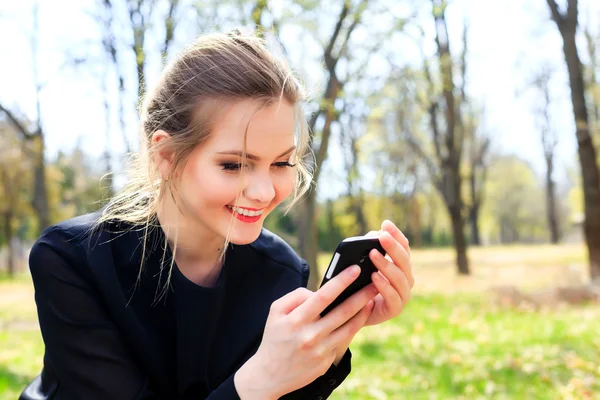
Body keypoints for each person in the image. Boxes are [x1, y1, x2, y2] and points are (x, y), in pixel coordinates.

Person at [20, 31, 414, 400]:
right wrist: (258, 380)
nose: (263, 192)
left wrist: (331, 337)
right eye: (233, 165)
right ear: (167, 156)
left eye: (281, 163)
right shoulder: (71, 259)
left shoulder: (281, 272)